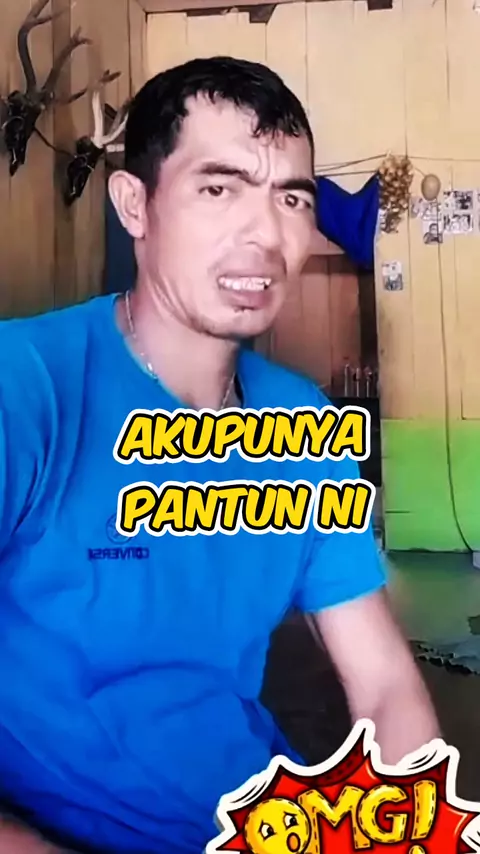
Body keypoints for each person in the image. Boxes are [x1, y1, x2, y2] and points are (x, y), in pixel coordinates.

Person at [0, 57, 439, 854]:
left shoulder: (302, 426)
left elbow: (382, 686)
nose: (266, 235)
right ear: (134, 205)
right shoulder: (26, 389)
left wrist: (409, 834)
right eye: (218, 188)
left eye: (292, 198)